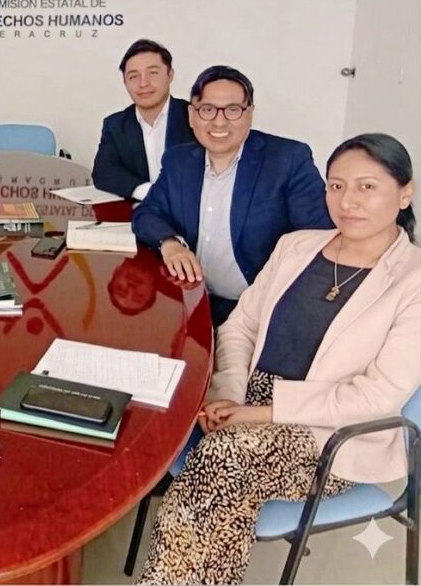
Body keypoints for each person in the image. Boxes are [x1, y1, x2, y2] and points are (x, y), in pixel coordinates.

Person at [139, 133, 420, 584]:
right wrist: (228, 394)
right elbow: (240, 327)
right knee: (154, 413)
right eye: (336, 186)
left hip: (329, 431)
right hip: (244, 400)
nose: (348, 201)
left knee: (221, 459)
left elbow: (376, 396)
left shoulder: (412, 279)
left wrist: (256, 414)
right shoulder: (297, 246)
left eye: (367, 187)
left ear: (405, 193)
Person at [132, 65, 332, 327]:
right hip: (191, 300)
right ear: (191, 115)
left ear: (250, 114)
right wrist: (169, 243)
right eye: (207, 109)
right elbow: (147, 213)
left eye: (233, 109)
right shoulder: (179, 160)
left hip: (256, 311)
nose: (219, 121)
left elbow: (318, 237)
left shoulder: (286, 159)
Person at [92, 39, 196, 200]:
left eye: (152, 73)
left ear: (170, 75)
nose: (143, 83)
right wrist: (148, 192)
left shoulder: (195, 117)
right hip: (142, 209)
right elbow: (104, 172)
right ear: (125, 82)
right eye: (133, 76)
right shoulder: (116, 124)